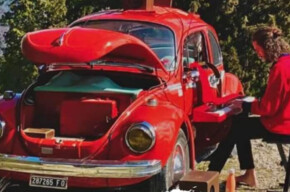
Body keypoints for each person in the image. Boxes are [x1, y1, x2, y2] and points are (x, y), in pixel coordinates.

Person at [208, 26, 290, 187]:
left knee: (234, 128)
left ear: (267, 48)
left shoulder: (280, 69)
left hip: (282, 125)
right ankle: (248, 175)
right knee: (241, 125)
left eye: (257, 49)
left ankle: (210, 175)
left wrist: (245, 105)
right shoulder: (286, 62)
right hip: (285, 119)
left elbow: (268, 108)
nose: (257, 54)